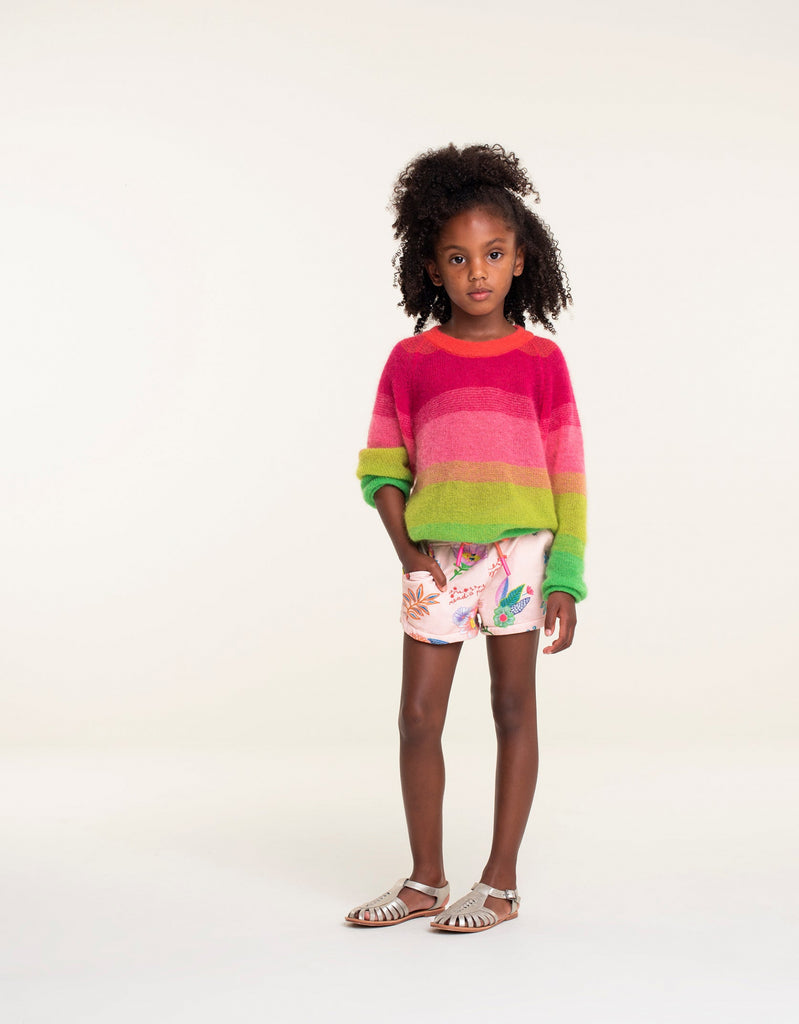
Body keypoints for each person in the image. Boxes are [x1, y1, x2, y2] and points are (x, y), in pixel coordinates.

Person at [345, 143, 587, 933]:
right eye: (456, 257)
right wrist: (407, 554)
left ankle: (500, 884)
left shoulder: (542, 362)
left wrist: (565, 577)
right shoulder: (411, 360)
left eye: (491, 253)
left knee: (512, 707)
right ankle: (424, 880)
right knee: (418, 716)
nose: (476, 272)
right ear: (432, 269)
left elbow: (567, 476)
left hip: (520, 555)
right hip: (436, 561)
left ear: (520, 259)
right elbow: (381, 468)